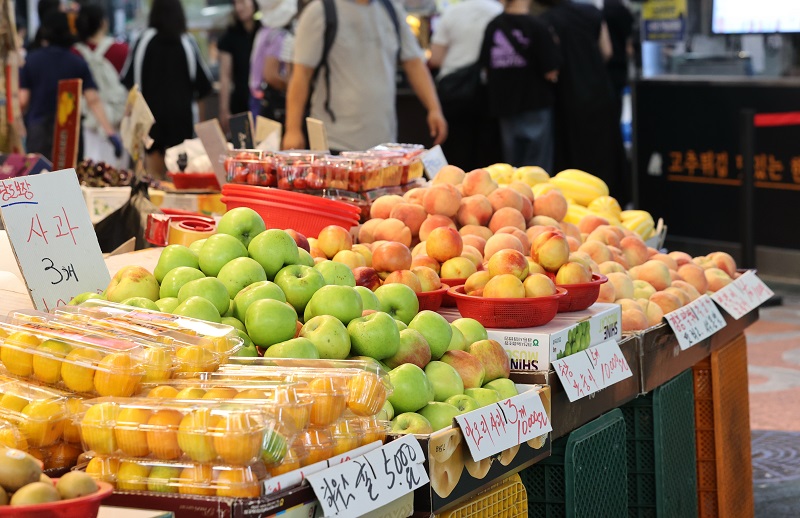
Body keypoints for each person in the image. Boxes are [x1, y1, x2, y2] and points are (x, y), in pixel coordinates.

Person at [282, 0, 447, 152]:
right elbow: (301, 75)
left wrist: (434, 109)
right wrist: (292, 129)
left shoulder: (391, 10)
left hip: (384, 147)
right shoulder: (320, 11)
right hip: (333, 144)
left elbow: (414, 64)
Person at [537, 0, 624, 198]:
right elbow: (607, 51)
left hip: (566, 95)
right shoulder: (591, 12)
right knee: (604, 153)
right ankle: (611, 200)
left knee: (572, 159)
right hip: (599, 90)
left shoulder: (545, 20)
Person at [121, 0, 213, 179]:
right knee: (178, 178)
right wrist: (200, 127)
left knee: (153, 178)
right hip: (182, 121)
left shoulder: (143, 40)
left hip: (150, 121)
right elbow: (204, 86)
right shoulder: (186, 42)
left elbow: (129, 83)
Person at [19, 11, 121, 160]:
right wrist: (110, 133)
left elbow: (23, 101)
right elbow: (93, 100)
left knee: (39, 178)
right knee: (69, 179)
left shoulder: (31, 60)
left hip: (39, 130)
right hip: (69, 133)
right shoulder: (77, 62)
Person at [480, 0, 559, 169]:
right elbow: (551, 70)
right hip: (535, 103)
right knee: (538, 170)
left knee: (511, 170)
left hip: (504, 105)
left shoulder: (493, 26)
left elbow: (485, 67)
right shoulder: (538, 26)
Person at [429, 0, 503, 170]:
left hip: (454, 90)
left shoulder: (452, 13)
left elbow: (436, 58)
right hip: (489, 90)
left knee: (456, 150)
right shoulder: (498, 11)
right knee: (487, 151)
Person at [74, 4, 129, 166]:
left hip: (89, 122)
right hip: (118, 120)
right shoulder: (122, 50)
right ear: (103, 23)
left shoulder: (75, 53)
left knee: (91, 171)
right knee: (119, 173)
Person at [248, 0, 297, 124]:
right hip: (268, 102)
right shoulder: (278, 36)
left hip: (256, 97)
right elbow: (271, 75)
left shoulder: (264, 32)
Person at [218, 0, 258, 133]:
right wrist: (224, 109)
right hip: (240, 101)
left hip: (263, 103)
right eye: (236, 3)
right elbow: (225, 76)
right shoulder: (229, 36)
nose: (239, 8)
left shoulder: (264, 32)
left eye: (242, 2)